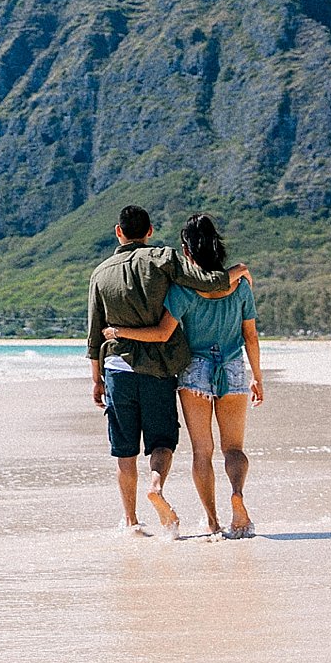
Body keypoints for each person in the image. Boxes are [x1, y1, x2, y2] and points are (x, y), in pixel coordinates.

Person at [84, 204, 247, 533]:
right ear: (150, 231)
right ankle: (156, 486)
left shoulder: (100, 274)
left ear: (119, 232)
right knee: (162, 442)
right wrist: (239, 269)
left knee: (125, 450)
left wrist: (97, 381)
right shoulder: (164, 258)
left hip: (117, 367)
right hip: (159, 367)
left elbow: (93, 336)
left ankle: (131, 520)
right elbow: (209, 283)